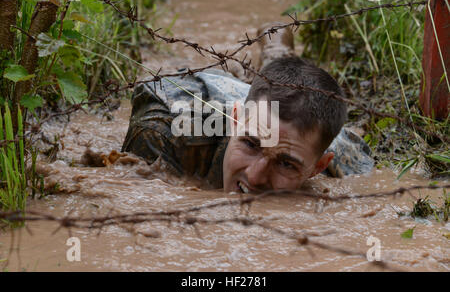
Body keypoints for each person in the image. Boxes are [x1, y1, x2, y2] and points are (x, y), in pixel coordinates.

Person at [121, 26, 373, 192]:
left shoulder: (340, 154)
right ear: (235, 120)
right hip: (203, 96)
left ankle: (274, 53)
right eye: (251, 144)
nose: (255, 177)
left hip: (255, 107)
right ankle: (270, 49)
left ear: (317, 168)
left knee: (280, 88)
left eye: (286, 164)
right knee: (252, 86)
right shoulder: (162, 130)